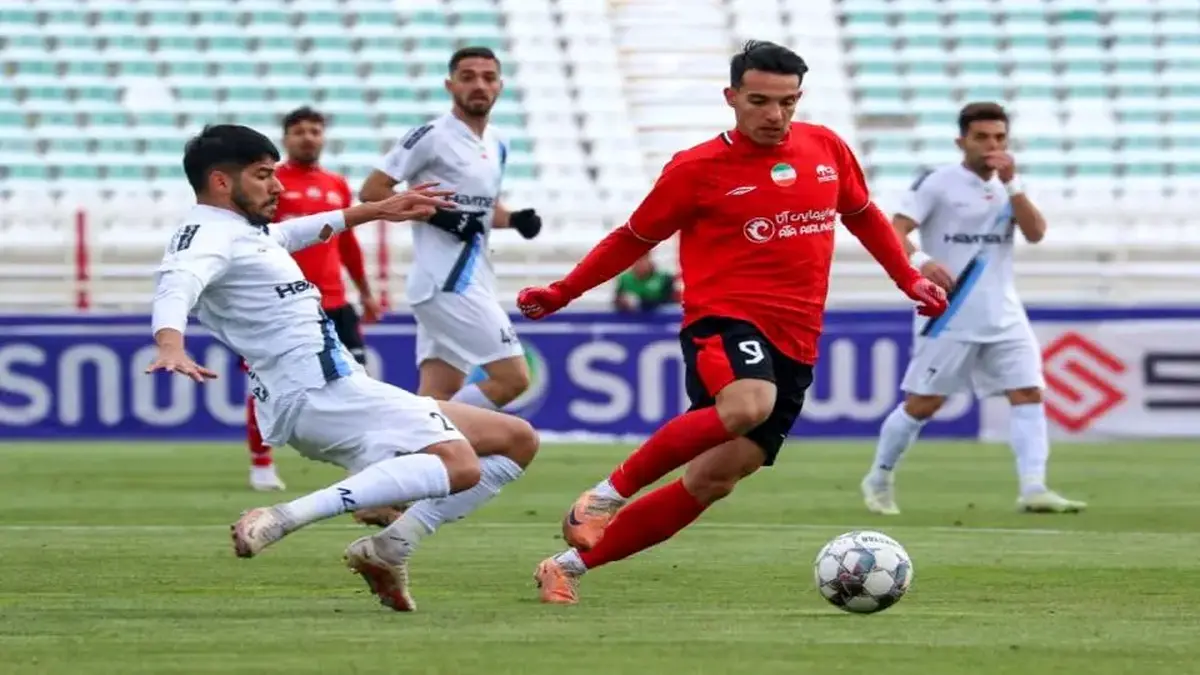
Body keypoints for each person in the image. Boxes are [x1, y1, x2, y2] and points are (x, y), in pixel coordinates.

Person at [514, 41, 948, 605]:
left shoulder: (826, 148)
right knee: (747, 404)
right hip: (724, 320)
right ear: (732, 97)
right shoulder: (696, 168)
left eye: (787, 102)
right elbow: (633, 238)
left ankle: (566, 566)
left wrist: (908, 278)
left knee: (713, 479)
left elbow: (862, 214)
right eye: (760, 101)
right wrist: (563, 292)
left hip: (798, 339)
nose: (775, 115)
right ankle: (603, 497)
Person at [147, 124, 539, 612]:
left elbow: (292, 232)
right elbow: (177, 283)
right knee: (459, 466)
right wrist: (170, 343)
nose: (277, 186)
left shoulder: (242, 232)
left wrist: (376, 210)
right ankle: (284, 517)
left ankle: (389, 548)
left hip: (331, 387)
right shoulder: (207, 236)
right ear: (222, 181)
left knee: (516, 440)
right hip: (318, 392)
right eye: (263, 175)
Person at [859, 102, 1087, 516]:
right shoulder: (937, 183)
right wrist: (921, 261)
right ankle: (879, 476)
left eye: (999, 137)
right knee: (924, 404)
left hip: (1004, 313)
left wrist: (1013, 184)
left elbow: (1036, 233)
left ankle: (1034, 487)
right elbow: (894, 229)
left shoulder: (1010, 187)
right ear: (961, 141)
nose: (991, 145)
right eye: (981, 137)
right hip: (950, 313)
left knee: (1028, 393)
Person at [359, 46, 542, 411]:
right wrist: (437, 216)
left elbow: (479, 210)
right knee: (513, 379)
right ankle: (434, 436)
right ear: (450, 85)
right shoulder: (430, 135)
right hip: (446, 281)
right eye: (468, 77)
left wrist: (513, 219)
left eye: (488, 78)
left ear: (500, 86)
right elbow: (373, 191)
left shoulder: (499, 142)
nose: (479, 85)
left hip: (472, 277)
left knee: (438, 393)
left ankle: (411, 444)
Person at [245, 106, 383, 495]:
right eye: (300, 131)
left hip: (335, 302)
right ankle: (261, 462)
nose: (308, 137)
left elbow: (348, 243)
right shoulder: (271, 183)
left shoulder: (336, 184)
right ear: (286, 138)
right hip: (285, 303)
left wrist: (365, 291)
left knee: (357, 381)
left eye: (315, 130)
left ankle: (362, 461)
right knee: (267, 383)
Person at [613, 253, 678, 312]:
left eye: (642, 260)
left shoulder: (664, 278)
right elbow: (617, 299)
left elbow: (669, 303)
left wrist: (639, 302)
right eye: (636, 260)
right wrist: (621, 302)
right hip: (633, 318)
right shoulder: (624, 279)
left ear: (649, 259)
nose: (639, 264)